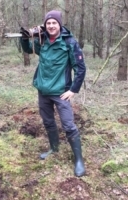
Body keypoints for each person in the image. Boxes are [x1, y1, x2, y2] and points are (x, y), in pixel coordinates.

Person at [20, 10, 86, 177]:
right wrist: (25, 37)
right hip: (43, 90)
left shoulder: (69, 42)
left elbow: (80, 68)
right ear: (45, 25)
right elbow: (29, 49)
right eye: (48, 23)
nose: (50, 26)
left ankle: (79, 160)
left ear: (59, 24)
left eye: (53, 23)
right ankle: (54, 148)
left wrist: (73, 90)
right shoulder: (42, 41)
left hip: (61, 92)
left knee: (68, 125)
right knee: (48, 122)